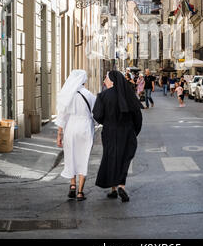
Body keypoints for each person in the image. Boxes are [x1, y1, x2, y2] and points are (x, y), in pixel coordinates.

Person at [93, 71, 142, 202]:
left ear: (112, 81)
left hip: (110, 131)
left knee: (111, 158)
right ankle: (121, 185)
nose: (105, 81)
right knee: (124, 159)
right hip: (127, 132)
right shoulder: (129, 95)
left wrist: (108, 123)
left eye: (106, 79)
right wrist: (133, 132)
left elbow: (97, 115)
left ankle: (113, 189)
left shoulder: (103, 96)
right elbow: (138, 117)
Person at [55, 69, 96, 202]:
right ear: (84, 80)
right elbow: (95, 114)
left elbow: (62, 116)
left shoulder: (68, 95)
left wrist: (59, 134)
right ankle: (80, 192)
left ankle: (72, 185)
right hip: (85, 128)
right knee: (83, 157)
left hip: (71, 128)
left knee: (70, 156)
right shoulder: (89, 95)